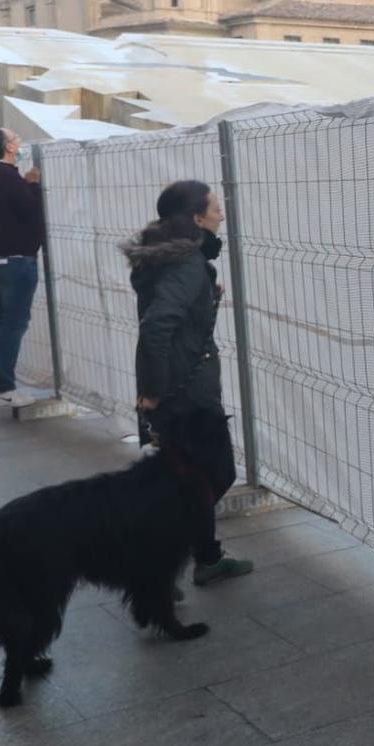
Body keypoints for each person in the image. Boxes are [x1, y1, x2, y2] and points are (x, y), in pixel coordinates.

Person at [125, 180, 254, 587]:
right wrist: (154, 390)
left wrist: (206, 297)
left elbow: (168, 316)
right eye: (214, 207)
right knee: (215, 473)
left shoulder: (172, 259)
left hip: (178, 382)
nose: (220, 213)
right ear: (198, 219)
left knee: (190, 476)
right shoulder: (187, 264)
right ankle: (155, 547)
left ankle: (207, 556)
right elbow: (159, 324)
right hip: (186, 388)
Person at [0, 127, 45, 408]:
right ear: (8, 147)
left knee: (2, 321)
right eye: (15, 137)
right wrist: (33, 185)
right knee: (14, 323)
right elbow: (30, 212)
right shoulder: (8, 178)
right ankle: (4, 386)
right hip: (16, 260)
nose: (19, 141)